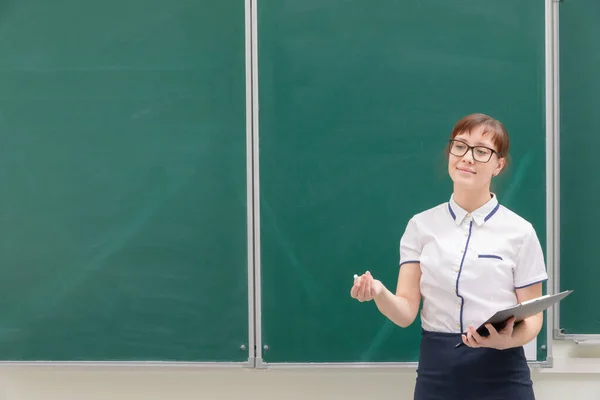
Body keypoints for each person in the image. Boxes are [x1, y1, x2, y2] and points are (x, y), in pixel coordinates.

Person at [350, 113, 548, 400]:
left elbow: (533, 316)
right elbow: (406, 312)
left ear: (498, 165)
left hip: (502, 371)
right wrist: (380, 291)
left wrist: (508, 340)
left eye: (481, 151)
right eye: (460, 146)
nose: (467, 158)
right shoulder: (421, 226)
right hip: (438, 372)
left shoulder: (520, 232)